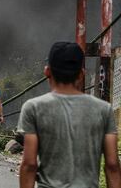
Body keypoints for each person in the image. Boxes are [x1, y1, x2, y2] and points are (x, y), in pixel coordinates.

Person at [18, 42, 121, 188]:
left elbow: (29, 164)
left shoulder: (33, 107)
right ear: (81, 74)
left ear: (47, 72)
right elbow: (112, 165)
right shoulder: (104, 109)